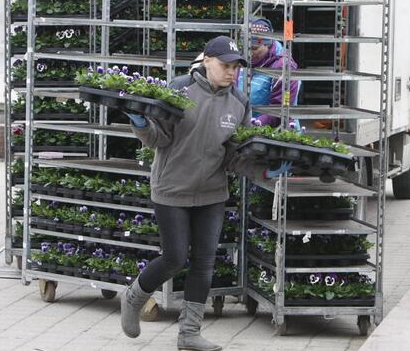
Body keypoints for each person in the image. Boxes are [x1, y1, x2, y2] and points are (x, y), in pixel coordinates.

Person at [120, 35, 291, 350]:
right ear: (207, 61)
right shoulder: (178, 89)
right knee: (174, 258)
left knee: (203, 262)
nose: (232, 72)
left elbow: (234, 157)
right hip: (172, 188)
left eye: (236, 67)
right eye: (226, 65)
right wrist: (140, 124)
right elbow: (158, 139)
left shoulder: (238, 103)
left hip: (212, 193)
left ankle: (189, 334)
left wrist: (265, 172)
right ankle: (134, 298)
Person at [240, 18, 300, 127]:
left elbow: (279, 110)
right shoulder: (240, 60)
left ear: (267, 44)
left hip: (273, 133)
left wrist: (255, 124)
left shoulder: (283, 67)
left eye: (254, 48)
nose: (249, 53)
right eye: (245, 47)